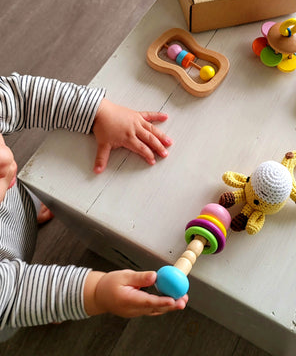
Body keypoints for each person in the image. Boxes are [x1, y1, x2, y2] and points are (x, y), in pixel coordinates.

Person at [0, 73, 188, 335]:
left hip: (9, 211)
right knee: (26, 303)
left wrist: (97, 112)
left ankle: (26, 211)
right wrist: (94, 293)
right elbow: (11, 294)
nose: (3, 159)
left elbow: (19, 95)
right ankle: (43, 309)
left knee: (14, 197)